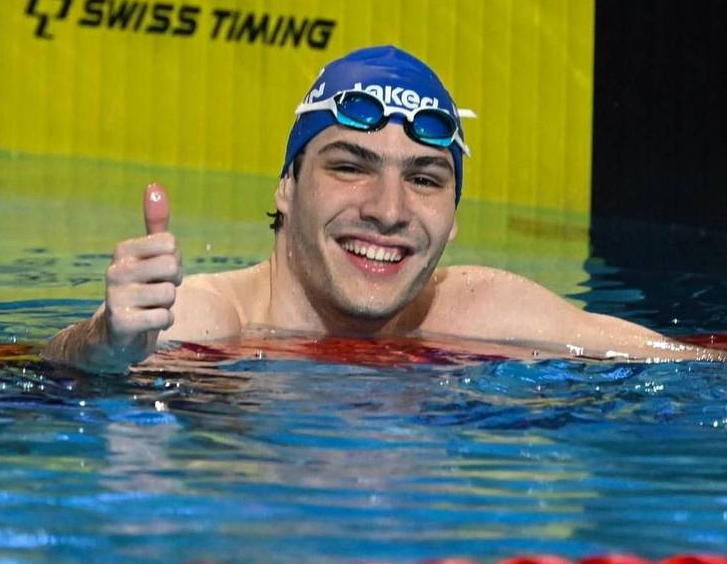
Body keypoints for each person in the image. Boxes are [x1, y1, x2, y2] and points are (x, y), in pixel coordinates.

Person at [44, 45, 720, 373]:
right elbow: (25, 387)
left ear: (453, 219)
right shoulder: (209, 321)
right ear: (286, 186)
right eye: (349, 167)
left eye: (424, 178)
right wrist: (101, 347)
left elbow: (693, 371)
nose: (389, 210)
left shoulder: (485, 314)